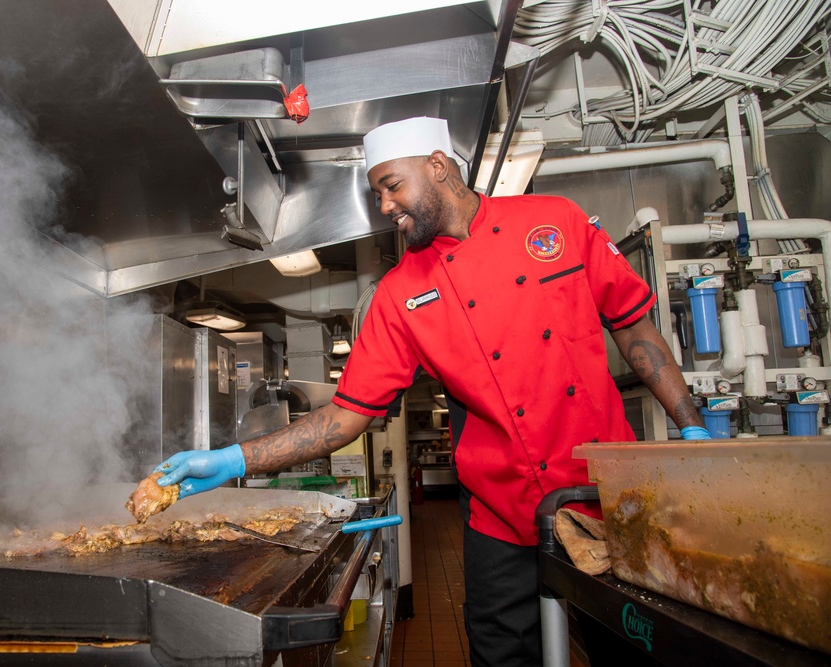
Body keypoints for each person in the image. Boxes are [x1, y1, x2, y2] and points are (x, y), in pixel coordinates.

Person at [153, 117, 710, 666]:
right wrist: (235, 458)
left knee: (636, 647)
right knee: (499, 655)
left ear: (438, 166)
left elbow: (635, 329)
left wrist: (690, 426)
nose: (386, 206)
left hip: (603, 497)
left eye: (392, 185)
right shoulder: (400, 295)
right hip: (500, 517)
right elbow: (345, 416)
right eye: (377, 194)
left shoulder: (555, 222)